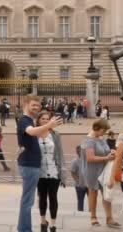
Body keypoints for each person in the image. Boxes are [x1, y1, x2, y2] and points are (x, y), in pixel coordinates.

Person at [16, 94, 62, 232]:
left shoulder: (29, 120)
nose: (36, 107)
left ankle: (23, 228)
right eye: (33, 105)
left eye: (38, 105)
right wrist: (49, 125)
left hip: (32, 164)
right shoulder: (25, 120)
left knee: (28, 200)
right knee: (27, 201)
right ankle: (24, 229)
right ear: (26, 104)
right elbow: (30, 132)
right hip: (29, 164)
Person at [80, 118, 120, 228]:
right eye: (104, 130)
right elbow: (90, 158)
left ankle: (109, 218)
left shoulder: (101, 138)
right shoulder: (88, 141)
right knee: (93, 192)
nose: (105, 132)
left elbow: (105, 151)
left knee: (107, 193)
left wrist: (111, 152)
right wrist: (106, 157)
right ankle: (93, 217)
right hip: (92, 170)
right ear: (98, 128)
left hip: (104, 169)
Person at [35, 111, 66, 232]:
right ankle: (43, 222)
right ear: (38, 120)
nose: (45, 121)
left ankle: (53, 224)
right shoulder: (34, 134)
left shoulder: (55, 134)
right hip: (39, 172)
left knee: (53, 197)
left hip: (53, 171)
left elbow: (60, 153)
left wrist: (62, 172)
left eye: (47, 119)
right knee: (42, 197)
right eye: (42, 119)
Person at [70, 145, 88, 212]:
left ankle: (91, 212)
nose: (79, 152)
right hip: (79, 185)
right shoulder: (75, 161)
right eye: (78, 150)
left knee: (91, 200)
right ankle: (80, 212)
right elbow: (72, 172)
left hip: (89, 184)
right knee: (80, 200)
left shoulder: (88, 160)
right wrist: (78, 181)